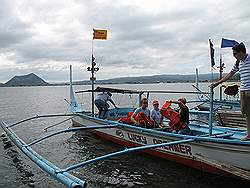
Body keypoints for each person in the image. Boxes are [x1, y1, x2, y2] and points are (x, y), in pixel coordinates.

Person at [211, 42, 250, 141]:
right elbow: (230, 74)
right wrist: (217, 83)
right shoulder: (238, 62)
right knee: (246, 113)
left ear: (241, 52)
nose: (234, 56)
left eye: (235, 54)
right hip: (243, 91)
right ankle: (249, 135)